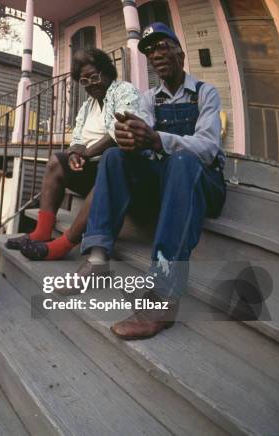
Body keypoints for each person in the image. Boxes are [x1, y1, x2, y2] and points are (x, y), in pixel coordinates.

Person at [76, 23, 226, 339]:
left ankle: (162, 296)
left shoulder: (205, 93)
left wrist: (157, 140)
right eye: (150, 51)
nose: (156, 55)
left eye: (162, 47)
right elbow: (144, 145)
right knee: (115, 156)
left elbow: (209, 148)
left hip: (205, 184)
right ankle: (98, 255)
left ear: (179, 53)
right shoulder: (148, 99)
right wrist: (131, 140)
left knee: (184, 159)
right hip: (168, 184)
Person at [5, 48, 148, 261]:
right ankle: (42, 232)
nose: (91, 84)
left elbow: (120, 131)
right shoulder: (87, 106)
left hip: (119, 168)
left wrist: (87, 153)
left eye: (94, 76)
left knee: (108, 166)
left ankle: (63, 245)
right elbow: (77, 139)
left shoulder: (124, 91)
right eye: (84, 81)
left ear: (107, 72)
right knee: (56, 160)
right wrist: (74, 154)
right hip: (91, 165)